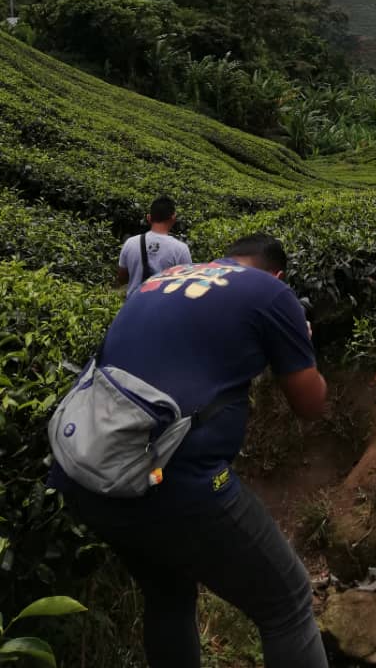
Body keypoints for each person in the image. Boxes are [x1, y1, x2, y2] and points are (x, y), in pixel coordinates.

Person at [51, 233, 329, 668]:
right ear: (277, 274)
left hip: (88, 468)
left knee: (169, 592)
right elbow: (310, 405)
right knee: (288, 602)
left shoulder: (160, 280)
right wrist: (298, 339)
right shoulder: (274, 293)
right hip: (173, 480)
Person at [117, 195, 192, 298]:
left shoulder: (130, 243)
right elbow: (185, 285)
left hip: (134, 308)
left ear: (149, 218)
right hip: (163, 310)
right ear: (173, 218)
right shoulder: (180, 249)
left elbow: (122, 278)